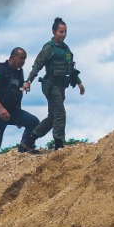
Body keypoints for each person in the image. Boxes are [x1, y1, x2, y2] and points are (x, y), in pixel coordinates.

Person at [22, 17, 84, 152]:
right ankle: (59, 144)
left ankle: (30, 139)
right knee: (60, 113)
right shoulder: (49, 48)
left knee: (53, 117)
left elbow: (70, 69)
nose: (63, 34)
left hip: (61, 86)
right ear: (54, 32)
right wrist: (28, 81)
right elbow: (37, 65)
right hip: (50, 85)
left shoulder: (66, 49)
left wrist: (79, 83)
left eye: (65, 32)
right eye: (61, 32)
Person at [0, 47, 40, 158]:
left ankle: (23, 151)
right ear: (12, 57)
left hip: (11, 110)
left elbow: (17, 93)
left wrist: (18, 116)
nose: (23, 61)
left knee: (32, 121)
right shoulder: (0, 69)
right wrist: (0, 108)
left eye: (25, 59)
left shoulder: (19, 73)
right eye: (21, 58)